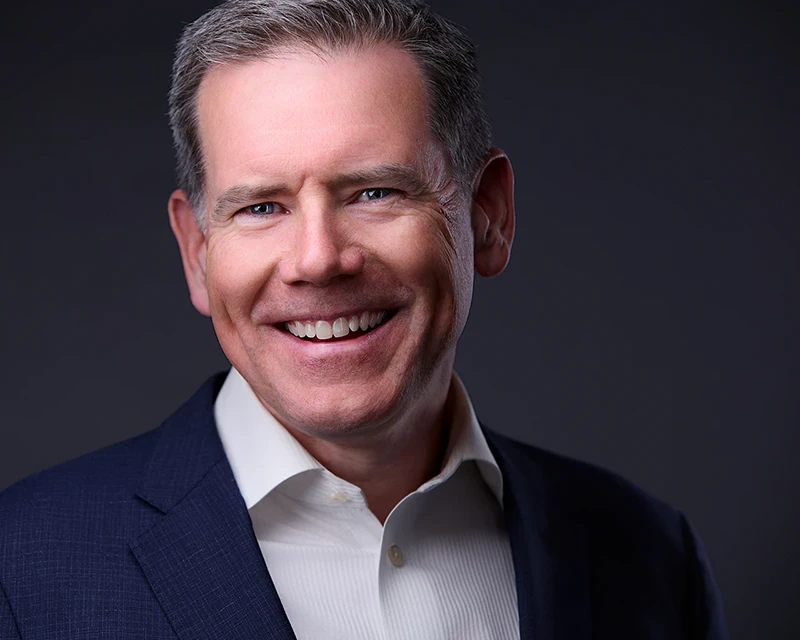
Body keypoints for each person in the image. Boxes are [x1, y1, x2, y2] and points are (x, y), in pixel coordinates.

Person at [0, 0, 728, 638]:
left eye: (375, 192)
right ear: (195, 251)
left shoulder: (650, 557)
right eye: (261, 207)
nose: (317, 260)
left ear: (489, 216)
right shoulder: (19, 570)